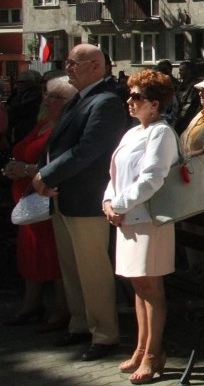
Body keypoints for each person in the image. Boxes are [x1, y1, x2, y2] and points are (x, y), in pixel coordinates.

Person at [32, 44, 125, 361]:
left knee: (92, 270)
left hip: (88, 199)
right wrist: (48, 176)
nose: (67, 67)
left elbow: (88, 150)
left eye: (73, 62)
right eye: (67, 62)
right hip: (65, 197)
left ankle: (105, 333)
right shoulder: (83, 98)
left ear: (96, 66)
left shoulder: (107, 102)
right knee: (72, 268)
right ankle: (81, 323)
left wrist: (46, 174)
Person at [102, 70, 178, 383]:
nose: (129, 101)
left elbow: (152, 178)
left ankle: (153, 353)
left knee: (151, 287)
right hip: (128, 218)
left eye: (137, 96)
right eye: (130, 95)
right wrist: (108, 203)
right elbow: (115, 174)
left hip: (150, 220)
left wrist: (118, 205)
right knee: (138, 285)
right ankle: (141, 347)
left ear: (155, 104)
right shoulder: (133, 132)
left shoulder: (161, 132)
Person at [2, 77, 76, 331]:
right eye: (46, 94)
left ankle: (61, 311)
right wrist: (15, 167)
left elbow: (61, 164)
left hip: (46, 201)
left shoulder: (65, 128)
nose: (46, 99)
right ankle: (31, 306)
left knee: (52, 258)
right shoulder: (44, 123)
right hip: (27, 204)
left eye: (54, 96)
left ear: (68, 101)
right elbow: (22, 149)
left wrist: (25, 169)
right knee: (30, 256)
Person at [6, 70, 42, 145]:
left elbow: (20, 108)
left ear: (31, 83)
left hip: (29, 128)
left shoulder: (36, 93)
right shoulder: (17, 92)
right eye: (17, 82)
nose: (19, 84)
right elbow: (8, 105)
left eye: (22, 82)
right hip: (16, 128)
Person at [174, 61, 201, 134]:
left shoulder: (194, 86)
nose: (179, 72)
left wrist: (179, 120)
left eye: (182, 70)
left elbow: (189, 106)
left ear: (189, 71)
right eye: (179, 70)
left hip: (186, 122)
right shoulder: (181, 85)